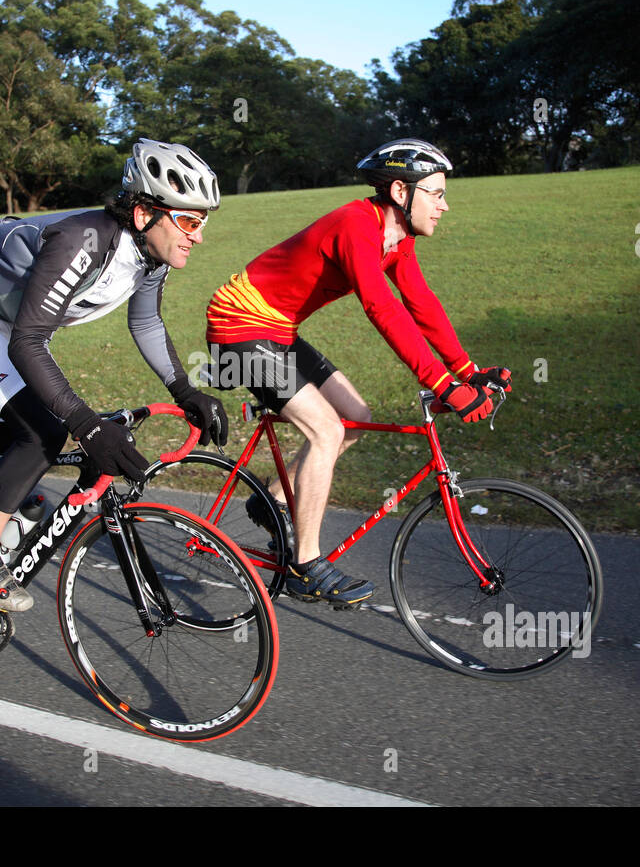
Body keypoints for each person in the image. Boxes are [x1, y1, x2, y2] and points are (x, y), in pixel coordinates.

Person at [0, 139, 230, 612]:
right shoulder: (84, 242)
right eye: (189, 221)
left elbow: (145, 322)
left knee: (23, 493)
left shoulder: (148, 256)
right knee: (44, 435)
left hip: (11, 325)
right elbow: (27, 344)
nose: (198, 235)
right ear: (144, 213)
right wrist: (87, 427)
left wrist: (186, 390)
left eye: (202, 222)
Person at [205, 138, 510, 606]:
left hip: (277, 329)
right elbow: (382, 309)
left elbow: (420, 303)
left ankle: (272, 500)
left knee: (354, 416)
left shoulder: (398, 238)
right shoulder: (356, 226)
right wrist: (443, 385)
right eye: (436, 192)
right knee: (326, 430)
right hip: (238, 327)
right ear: (400, 192)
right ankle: (306, 565)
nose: (445, 205)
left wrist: (467, 371)